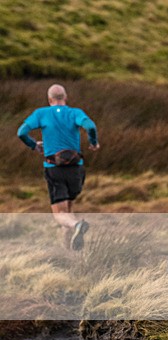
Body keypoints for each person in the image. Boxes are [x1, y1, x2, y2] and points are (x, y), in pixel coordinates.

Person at [18, 84, 100, 251]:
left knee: (60, 214)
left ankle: (77, 225)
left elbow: (21, 132)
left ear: (49, 99)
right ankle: (69, 253)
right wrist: (93, 142)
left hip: (54, 169)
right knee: (68, 210)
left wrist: (34, 145)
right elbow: (90, 126)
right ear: (65, 98)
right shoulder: (75, 113)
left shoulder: (41, 113)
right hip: (76, 169)